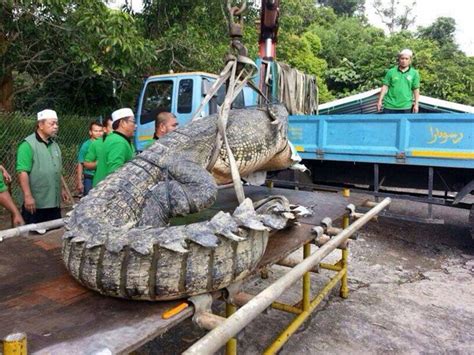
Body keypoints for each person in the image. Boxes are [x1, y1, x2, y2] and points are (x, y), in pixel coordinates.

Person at [16, 109, 69, 224]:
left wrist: (62, 189)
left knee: (54, 230)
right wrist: (28, 196)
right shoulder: (27, 145)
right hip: (36, 204)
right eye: (52, 123)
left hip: (54, 202)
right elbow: (22, 172)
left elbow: (56, 169)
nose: (56, 126)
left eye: (56, 123)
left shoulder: (55, 145)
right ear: (40, 125)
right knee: (34, 237)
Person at [94, 108, 136, 184]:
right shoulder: (118, 142)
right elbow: (115, 173)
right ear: (123, 123)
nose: (135, 126)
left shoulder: (116, 138)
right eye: (133, 121)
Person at [377, 48, 420, 114]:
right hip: (389, 105)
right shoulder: (391, 72)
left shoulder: (414, 73)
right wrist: (379, 101)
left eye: (406, 59)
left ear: (410, 61)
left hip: (406, 106)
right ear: (399, 60)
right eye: (402, 58)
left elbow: (416, 89)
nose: (404, 61)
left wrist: (416, 104)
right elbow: (385, 87)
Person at [76, 121, 103, 196]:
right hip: (89, 177)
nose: (98, 133)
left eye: (100, 131)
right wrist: (79, 182)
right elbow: (80, 163)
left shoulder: (105, 143)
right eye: (96, 131)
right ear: (90, 132)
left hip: (102, 176)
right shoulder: (86, 145)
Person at [84, 116, 113, 188]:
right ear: (105, 129)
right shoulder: (94, 144)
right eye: (112, 128)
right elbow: (84, 163)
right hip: (96, 182)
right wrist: (99, 163)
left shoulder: (127, 144)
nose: (115, 131)